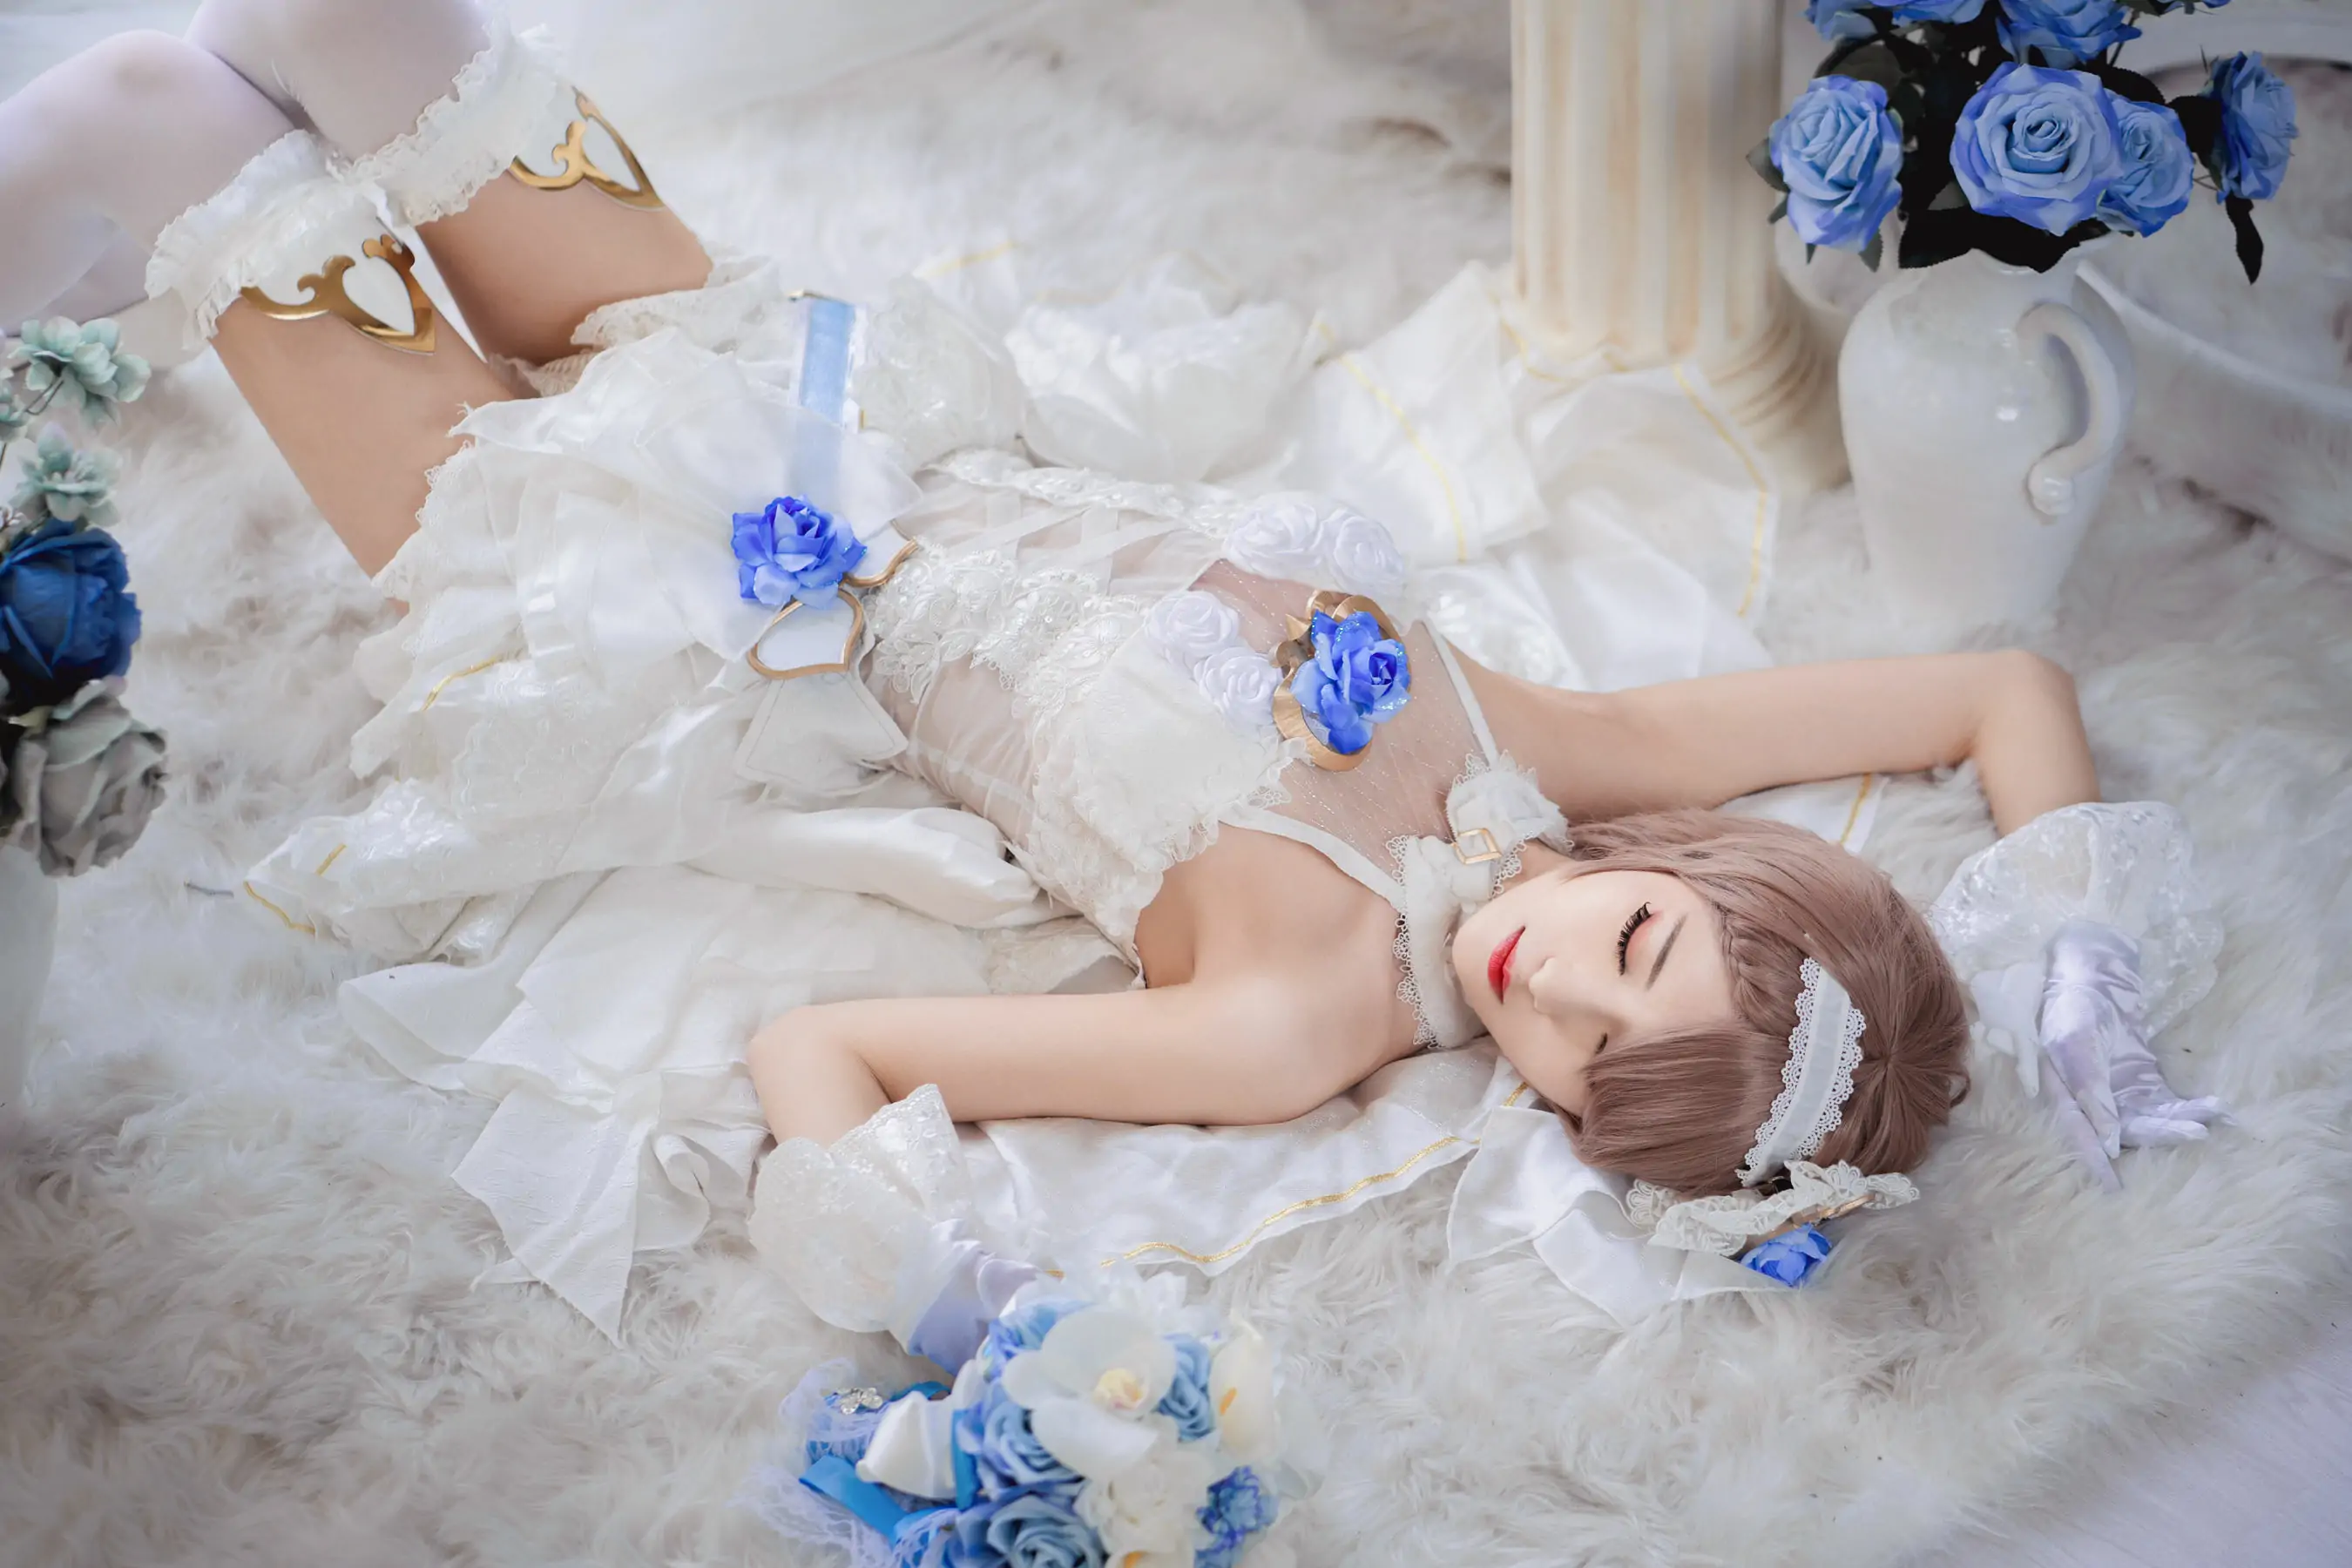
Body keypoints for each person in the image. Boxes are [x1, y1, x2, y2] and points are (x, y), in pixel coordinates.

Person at [0, 0, 2220, 1345]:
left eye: (1583, 1070)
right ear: (1697, 871)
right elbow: (1992, 697)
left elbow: (819, 1048)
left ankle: (89, 248)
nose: (1546, 981)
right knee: (336, 13)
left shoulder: (1295, 1024)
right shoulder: (1557, 755)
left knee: (143, 105)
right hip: (804, 390)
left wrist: (932, 1293)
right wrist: (2075, 953)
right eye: (1634, 948)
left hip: (638, 589)